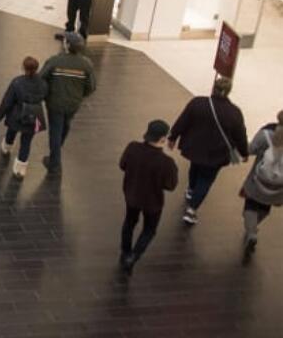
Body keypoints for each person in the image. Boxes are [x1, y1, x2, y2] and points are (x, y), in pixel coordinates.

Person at [166, 76, 249, 226]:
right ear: (229, 92)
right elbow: (240, 135)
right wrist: (244, 152)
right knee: (206, 179)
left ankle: (191, 190)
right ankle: (191, 210)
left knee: (194, 167)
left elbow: (183, 120)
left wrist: (173, 137)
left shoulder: (197, 103)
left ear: (213, 88)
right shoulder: (234, 112)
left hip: (194, 147)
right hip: (216, 155)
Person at [118, 119, 178, 275]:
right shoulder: (167, 163)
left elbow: (122, 165)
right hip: (153, 202)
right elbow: (170, 186)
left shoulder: (132, 148)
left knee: (129, 222)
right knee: (149, 230)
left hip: (132, 195)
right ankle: (133, 256)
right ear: (163, 139)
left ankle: (125, 252)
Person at [40, 32, 97, 174]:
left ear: (67, 45)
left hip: (55, 103)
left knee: (55, 130)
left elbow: (41, 78)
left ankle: (54, 162)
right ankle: (56, 153)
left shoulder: (55, 61)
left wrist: (46, 95)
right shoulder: (86, 64)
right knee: (65, 126)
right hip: (73, 104)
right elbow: (91, 87)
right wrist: (79, 96)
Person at [0, 57, 49, 179]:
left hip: (17, 114)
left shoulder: (17, 82)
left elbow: (7, 101)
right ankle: (20, 168)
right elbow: (45, 95)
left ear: (24, 68)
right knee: (26, 142)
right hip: (34, 116)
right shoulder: (43, 83)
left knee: (11, 131)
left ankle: (7, 147)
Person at [240, 111, 283, 261]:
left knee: (250, 206)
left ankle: (251, 232)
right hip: (278, 186)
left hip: (258, 180)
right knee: (265, 208)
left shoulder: (267, 134)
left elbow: (250, 149)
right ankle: (253, 226)